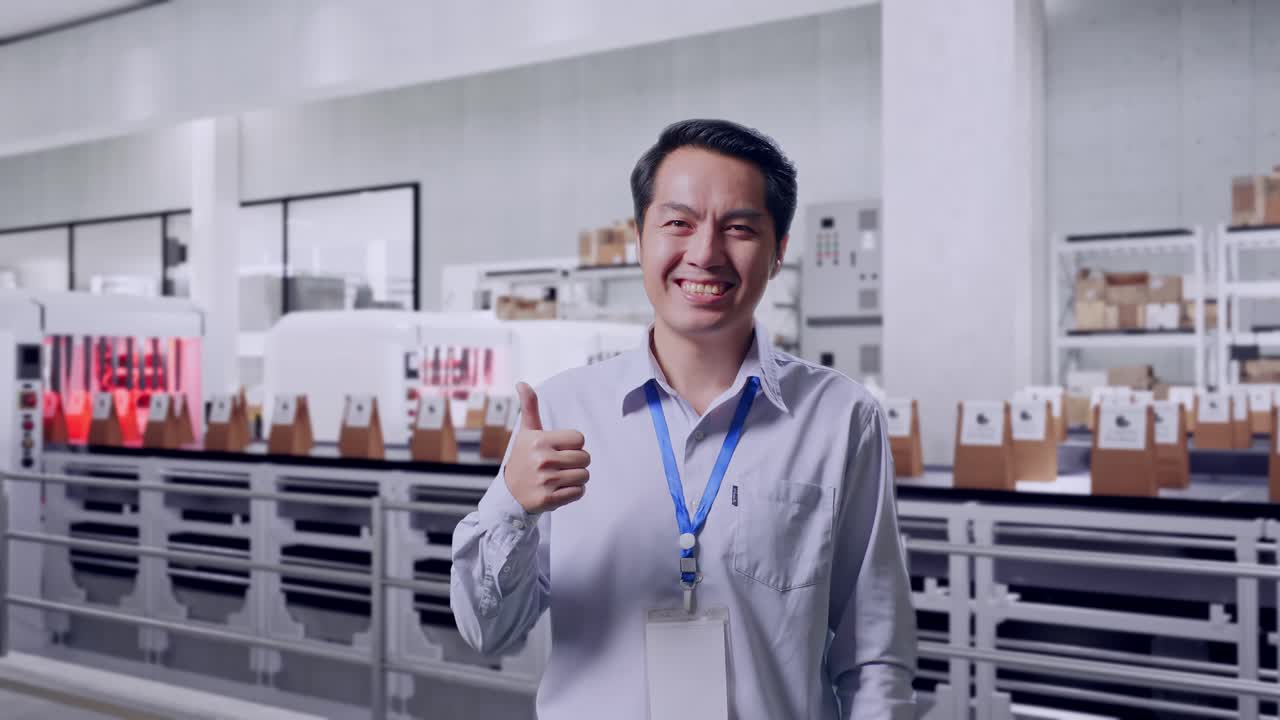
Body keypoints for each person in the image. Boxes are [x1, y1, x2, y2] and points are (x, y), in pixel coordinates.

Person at [451, 118, 916, 719]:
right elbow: (488, 632)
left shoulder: (840, 419)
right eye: (678, 223)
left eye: (739, 228)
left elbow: (875, 654)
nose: (705, 253)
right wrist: (511, 507)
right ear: (639, 239)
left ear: (779, 252)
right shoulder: (564, 411)